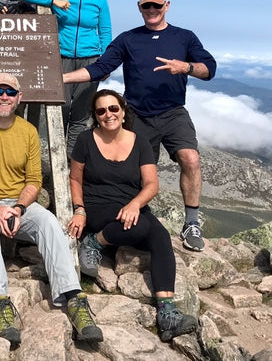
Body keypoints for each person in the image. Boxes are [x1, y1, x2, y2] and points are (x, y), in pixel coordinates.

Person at [63, 0, 217, 251]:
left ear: (167, 6)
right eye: (147, 5)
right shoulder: (128, 39)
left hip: (172, 112)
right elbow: (101, 68)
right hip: (137, 115)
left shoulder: (184, 37)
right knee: (135, 172)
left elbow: (209, 69)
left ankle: (191, 222)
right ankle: (127, 224)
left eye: (157, 5)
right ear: (139, 7)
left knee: (190, 158)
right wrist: (61, 78)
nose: (152, 10)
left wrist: (186, 67)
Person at [0, 72, 103, 347]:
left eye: (10, 92)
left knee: (48, 221)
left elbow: (34, 180)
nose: (4, 96)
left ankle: (73, 297)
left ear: (19, 98)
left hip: (18, 204)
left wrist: (20, 208)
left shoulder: (27, 131)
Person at [66, 89, 198, 342]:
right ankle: (94, 241)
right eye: (101, 111)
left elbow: (151, 184)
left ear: (123, 111)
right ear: (95, 115)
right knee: (139, 229)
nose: (108, 114)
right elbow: (75, 178)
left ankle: (167, 313)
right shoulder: (85, 140)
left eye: (113, 108)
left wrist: (135, 204)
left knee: (159, 236)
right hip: (97, 206)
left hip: (131, 205)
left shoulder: (139, 142)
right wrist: (79, 210)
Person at [21, 0, 112, 159]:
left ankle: (72, 162)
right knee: (62, 109)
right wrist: (54, 1)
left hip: (91, 60)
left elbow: (105, 32)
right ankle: (57, 159)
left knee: (81, 114)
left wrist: (106, 63)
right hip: (61, 58)